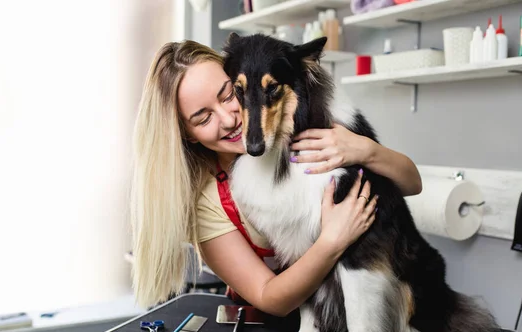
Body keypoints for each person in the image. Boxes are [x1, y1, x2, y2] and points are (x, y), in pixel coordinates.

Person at [130, 40, 422, 316]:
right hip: (276, 328)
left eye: (229, 94)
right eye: (204, 118)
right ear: (186, 135)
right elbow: (269, 297)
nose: (230, 119)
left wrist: (366, 150)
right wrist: (332, 241)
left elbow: (411, 184)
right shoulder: (207, 203)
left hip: (347, 314)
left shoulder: (303, 128)